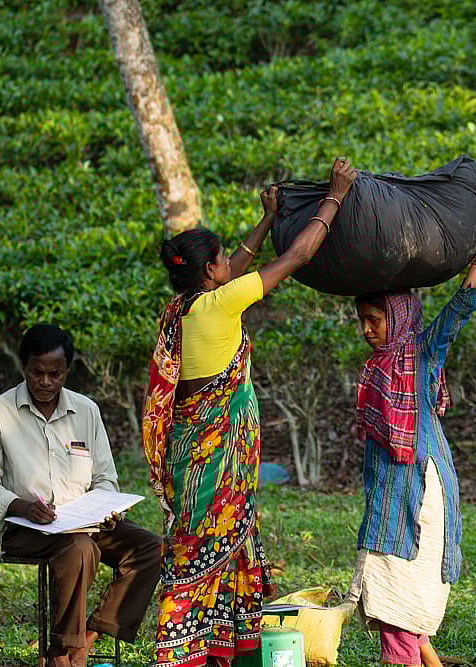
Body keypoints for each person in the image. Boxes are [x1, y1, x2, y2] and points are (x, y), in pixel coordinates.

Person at [143, 157, 357, 667]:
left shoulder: (184, 308)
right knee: (200, 556)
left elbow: (236, 269)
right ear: (210, 271)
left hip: (196, 459)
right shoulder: (220, 304)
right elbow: (301, 254)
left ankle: (211, 651)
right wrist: (337, 196)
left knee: (203, 548)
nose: (228, 266)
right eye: (221, 260)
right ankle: (181, 653)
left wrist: (266, 219)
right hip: (218, 465)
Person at [347, 199, 476, 667]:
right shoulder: (377, 368)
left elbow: (461, 306)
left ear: (397, 317)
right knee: (395, 600)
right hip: (388, 501)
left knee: (400, 597)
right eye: (362, 321)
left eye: (374, 320)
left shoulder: (421, 354)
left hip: (418, 496)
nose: (367, 331)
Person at [0, 324, 162, 667]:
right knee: (79, 549)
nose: (46, 382)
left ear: (67, 370)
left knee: (151, 547)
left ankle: (86, 638)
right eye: (37, 372)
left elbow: (105, 477)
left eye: (55, 374)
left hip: (85, 523)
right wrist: (23, 507)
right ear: (24, 367)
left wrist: (106, 506)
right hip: (26, 528)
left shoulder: (86, 410)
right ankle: (64, 654)